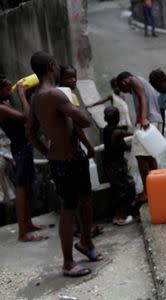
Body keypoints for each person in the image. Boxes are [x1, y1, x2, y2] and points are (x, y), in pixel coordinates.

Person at [28, 51, 103, 277]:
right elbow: (83, 120)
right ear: (52, 65)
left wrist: (46, 151)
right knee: (69, 210)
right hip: (65, 161)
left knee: (85, 200)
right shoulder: (54, 95)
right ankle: (68, 263)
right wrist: (70, 103)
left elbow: (31, 132)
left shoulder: (35, 98)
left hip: (69, 157)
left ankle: (86, 243)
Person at [59, 64, 104, 239]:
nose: (73, 81)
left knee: (74, 193)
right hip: (75, 146)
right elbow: (76, 125)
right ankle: (86, 228)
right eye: (69, 77)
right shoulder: (67, 96)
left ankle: (82, 227)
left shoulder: (57, 95)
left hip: (66, 148)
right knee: (83, 194)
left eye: (74, 77)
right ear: (60, 78)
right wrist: (88, 145)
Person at [0, 75, 44, 242]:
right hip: (19, 149)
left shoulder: (5, 103)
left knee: (26, 188)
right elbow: (26, 117)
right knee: (21, 190)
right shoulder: (1, 107)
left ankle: (28, 224)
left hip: (23, 147)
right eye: (7, 88)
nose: (10, 90)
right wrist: (22, 95)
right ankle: (22, 233)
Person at [116, 71, 162, 203]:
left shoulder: (133, 80)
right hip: (154, 120)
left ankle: (148, 191)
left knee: (140, 156)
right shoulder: (142, 80)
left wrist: (142, 118)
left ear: (124, 82)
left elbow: (143, 97)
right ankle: (155, 187)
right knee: (150, 156)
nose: (127, 92)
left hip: (148, 121)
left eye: (123, 89)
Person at [102, 106, 135, 225]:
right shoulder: (116, 132)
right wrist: (135, 139)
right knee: (123, 189)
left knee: (116, 189)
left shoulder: (106, 130)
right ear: (118, 117)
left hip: (108, 163)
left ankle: (116, 215)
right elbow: (122, 139)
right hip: (115, 164)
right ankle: (121, 217)